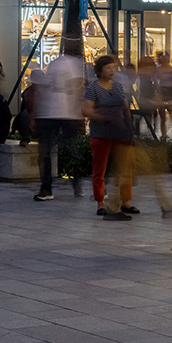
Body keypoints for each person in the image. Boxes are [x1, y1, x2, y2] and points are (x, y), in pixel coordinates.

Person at [83, 54, 136, 221]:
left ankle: (125, 201)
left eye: (113, 68)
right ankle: (100, 203)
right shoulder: (92, 88)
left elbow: (125, 108)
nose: (112, 71)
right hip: (101, 134)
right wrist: (103, 117)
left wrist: (129, 127)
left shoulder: (118, 87)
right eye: (108, 68)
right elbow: (86, 110)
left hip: (120, 132)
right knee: (100, 169)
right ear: (99, 70)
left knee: (125, 167)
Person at [34, 51, 85, 202]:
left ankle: (48, 187)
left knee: (48, 152)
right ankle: (74, 183)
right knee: (68, 150)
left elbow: (76, 87)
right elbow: (77, 87)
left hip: (54, 114)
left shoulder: (57, 64)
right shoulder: (71, 64)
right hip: (62, 114)